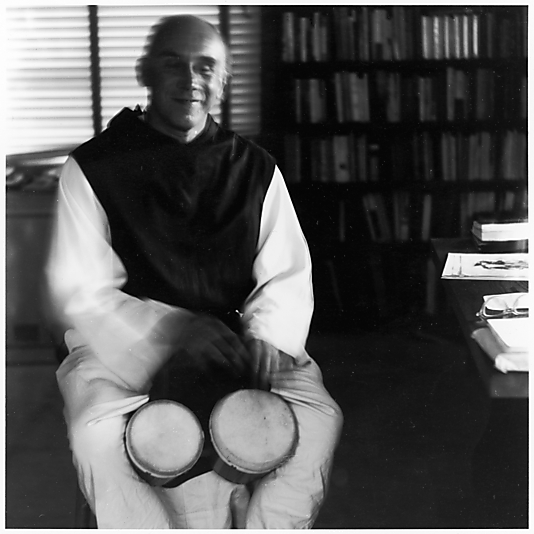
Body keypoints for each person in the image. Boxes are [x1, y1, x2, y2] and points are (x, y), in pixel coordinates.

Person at [46, 14, 343, 529]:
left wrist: (269, 337)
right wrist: (175, 330)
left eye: (206, 67)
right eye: (173, 64)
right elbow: (81, 289)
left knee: (320, 419)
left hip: (238, 339)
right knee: (97, 436)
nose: (190, 80)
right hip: (122, 346)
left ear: (223, 79)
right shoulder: (92, 167)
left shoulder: (255, 168)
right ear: (145, 72)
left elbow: (285, 272)